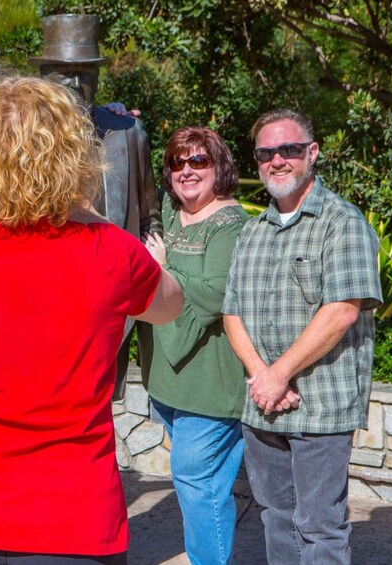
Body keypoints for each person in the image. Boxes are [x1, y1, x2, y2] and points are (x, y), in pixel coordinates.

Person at [0, 74, 184, 565]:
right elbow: (170, 304)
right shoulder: (111, 252)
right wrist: (91, 214)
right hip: (75, 522)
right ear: (72, 156)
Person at [222, 109, 382, 564]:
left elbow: (343, 310)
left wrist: (280, 373)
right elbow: (231, 310)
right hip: (264, 406)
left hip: (321, 407)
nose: (277, 160)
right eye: (266, 153)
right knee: (274, 517)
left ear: (311, 154)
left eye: (289, 150)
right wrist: (263, 377)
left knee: (319, 528)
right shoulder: (252, 231)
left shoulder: (342, 222)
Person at [29, 13, 161, 397]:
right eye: (62, 73)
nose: (73, 83)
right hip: (36, 311)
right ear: (43, 79)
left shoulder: (128, 133)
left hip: (108, 314)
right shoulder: (20, 137)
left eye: (84, 73)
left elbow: (149, 218)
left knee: (96, 425)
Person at [140, 127, 251, 564]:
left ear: (219, 166)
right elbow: (137, 185)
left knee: (197, 482)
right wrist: (128, 126)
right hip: (168, 381)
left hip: (211, 385)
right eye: (177, 163)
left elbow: (211, 294)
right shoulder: (171, 212)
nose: (186, 170)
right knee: (199, 482)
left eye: (199, 161)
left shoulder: (231, 225)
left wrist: (161, 271)